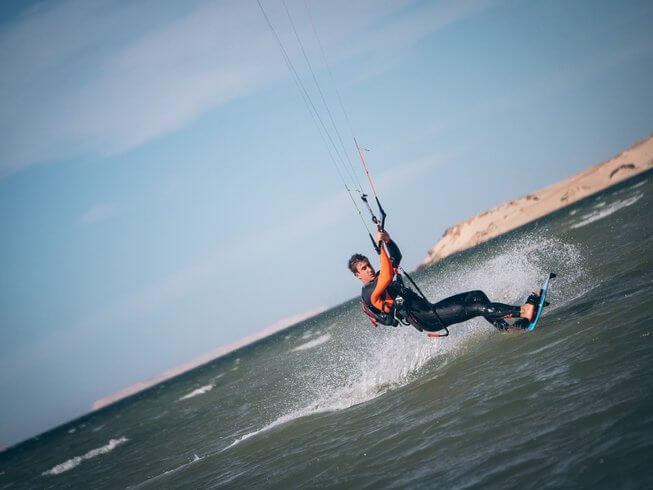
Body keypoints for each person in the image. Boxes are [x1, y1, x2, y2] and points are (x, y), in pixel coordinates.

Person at [348, 228, 540, 333]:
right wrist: (380, 246)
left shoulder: (380, 275)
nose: (369, 269)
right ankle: (523, 311)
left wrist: (388, 241)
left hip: (432, 309)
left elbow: (395, 260)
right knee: (477, 308)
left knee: (477, 296)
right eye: (364, 268)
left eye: (368, 265)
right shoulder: (368, 292)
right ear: (358, 276)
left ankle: (507, 329)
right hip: (429, 319)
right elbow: (389, 276)